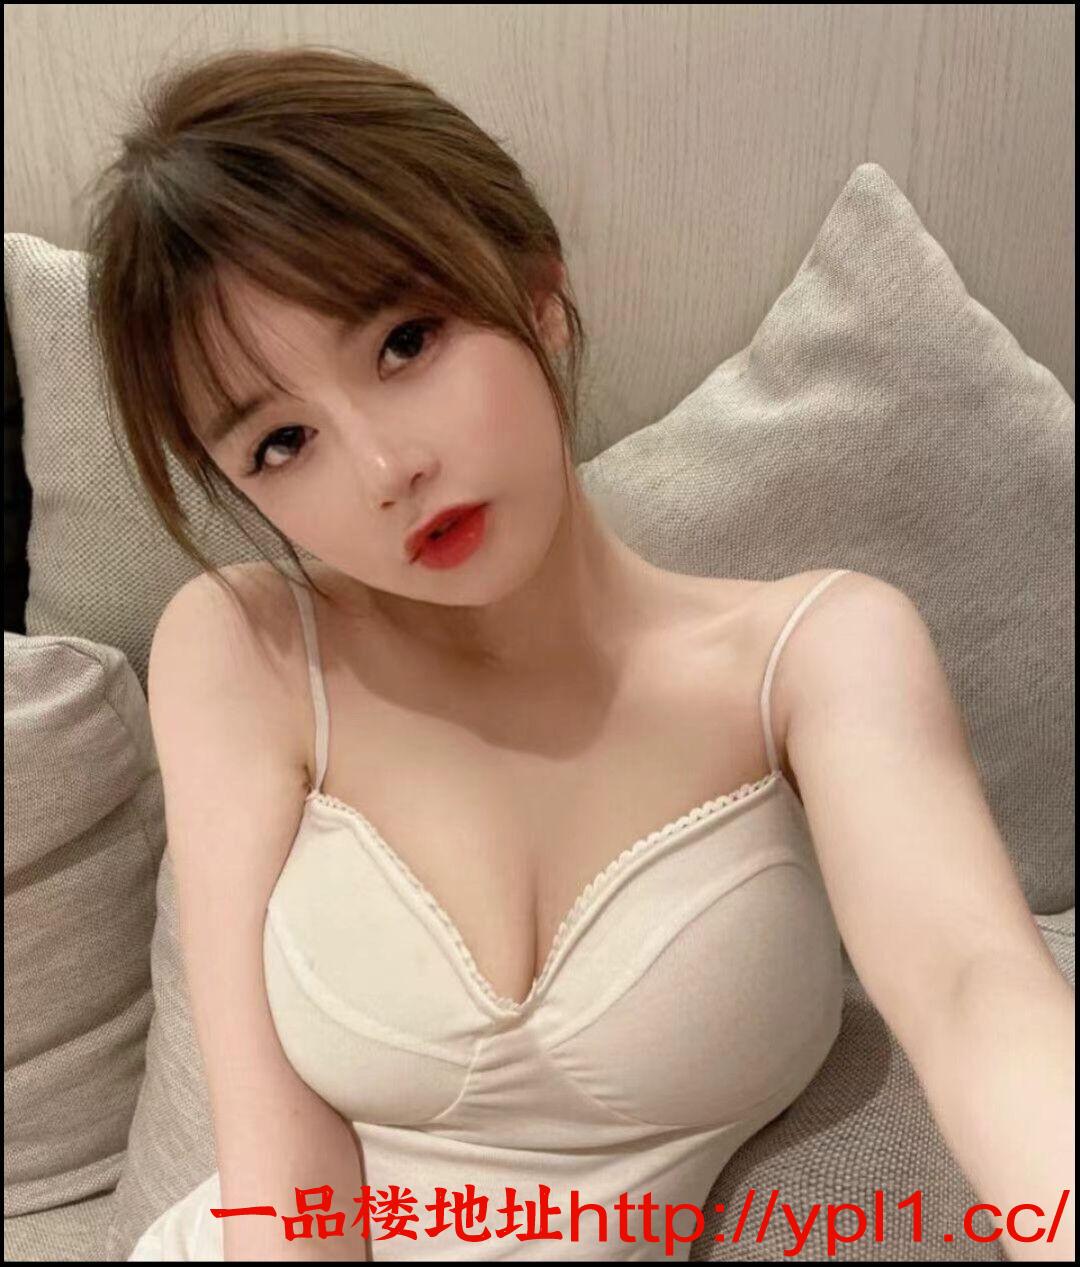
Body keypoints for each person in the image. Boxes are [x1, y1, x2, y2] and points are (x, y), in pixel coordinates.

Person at [83, 45, 1073, 1264]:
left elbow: (975, 987)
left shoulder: (816, 651)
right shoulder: (244, 647)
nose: (387, 470)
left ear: (537, 294)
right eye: (281, 443)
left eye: (405, 341)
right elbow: (276, 1178)